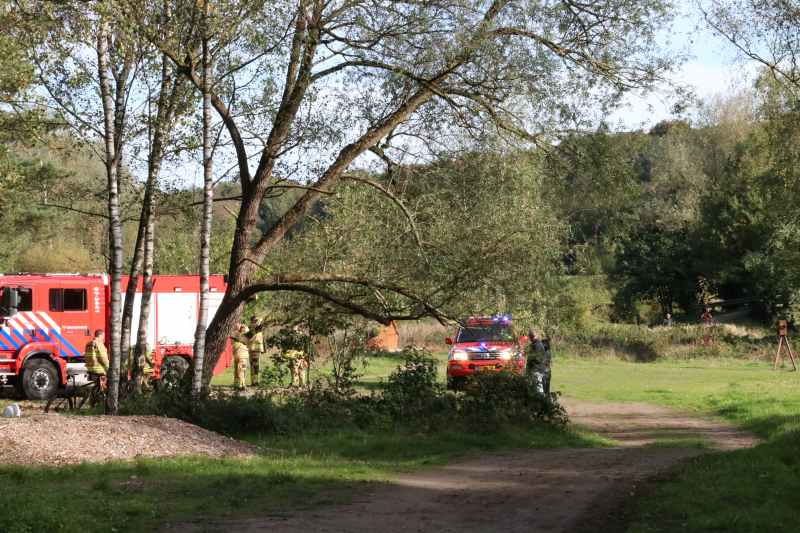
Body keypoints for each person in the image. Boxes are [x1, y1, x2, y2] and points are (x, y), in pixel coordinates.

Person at [84, 329, 109, 405]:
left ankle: (93, 402)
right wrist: (109, 368)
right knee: (101, 386)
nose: (103, 337)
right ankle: (97, 402)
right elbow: (103, 358)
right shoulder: (99, 344)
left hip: (91, 368)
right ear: (99, 335)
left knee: (97, 386)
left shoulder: (89, 343)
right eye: (103, 336)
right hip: (99, 369)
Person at [526, 330, 551, 395]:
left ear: (530, 337)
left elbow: (537, 358)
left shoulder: (537, 344)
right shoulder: (536, 343)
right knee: (536, 388)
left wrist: (531, 366)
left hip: (537, 369)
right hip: (536, 369)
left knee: (538, 389)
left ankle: (542, 400)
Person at [229, 323, 250, 391]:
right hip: (241, 356)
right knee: (241, 371)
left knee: (238, 371)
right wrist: (244, 327)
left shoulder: (234, 336)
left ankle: (237, 385)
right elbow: (248, 332)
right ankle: (241, 386)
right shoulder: (237, 336)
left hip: (238, 356)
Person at [246, 316, 267, 387]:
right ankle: (254, 382)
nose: (258, 321)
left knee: (255, 366)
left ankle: (254, 381)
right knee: (255, 366)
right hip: (253, 349)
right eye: (256, 320)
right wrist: (260, 319)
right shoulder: (251, 326)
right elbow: (257, 324)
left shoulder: (256, 328)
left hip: (256, 350)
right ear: (252, 321)